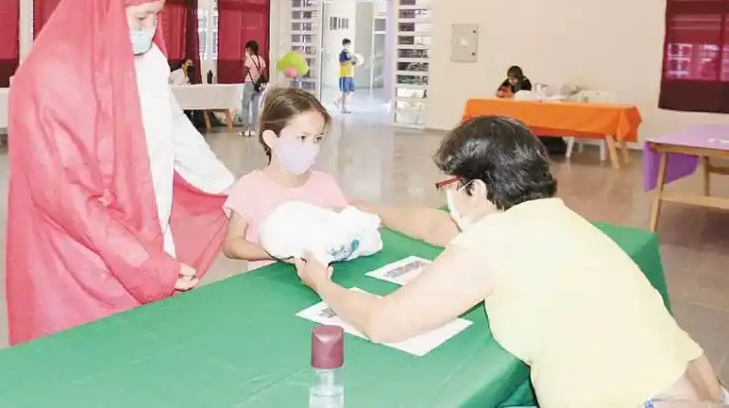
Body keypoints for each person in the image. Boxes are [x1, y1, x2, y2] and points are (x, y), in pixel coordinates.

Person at [294, 116, 725, 408]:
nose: (446, 197)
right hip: (696, 387)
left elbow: (383, 323)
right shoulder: (550, 216)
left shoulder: (491, 243)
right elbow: (434, 226)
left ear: (477, 190)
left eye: (450, 184)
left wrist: (322, 284)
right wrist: (364, 207)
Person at [6, 0, 235, 345]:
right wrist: (143, 262)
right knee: (91, 362)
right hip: (81, 257)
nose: (149, 29)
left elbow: (175, 131)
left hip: (145, 236)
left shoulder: (149, 62)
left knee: (146, 353)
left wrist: (231, 190)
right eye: (141, 17)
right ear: (105, 6)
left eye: (156, 17)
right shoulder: (52, 75)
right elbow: (64, 195)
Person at [223, 87, 347, 270]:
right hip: (267, 288)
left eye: (317, 138)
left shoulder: (325, 184)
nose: (312, 147)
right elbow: (232, 245)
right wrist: (280, 253)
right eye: (302, 137)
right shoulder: (250, 187)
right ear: (271, 139)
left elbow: (344, 229)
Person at [240, 40, 267, 137]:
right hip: (258, 86)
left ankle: (245, 129)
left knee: (245, 106)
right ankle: (253, 129)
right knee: (255, 107)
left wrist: (244, 63)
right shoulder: (261, 60)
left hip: (249, 84)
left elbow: (243, 73)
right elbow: (265, 75)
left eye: (247, 49)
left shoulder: (249, 59)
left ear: (249, 49)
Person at [334, 38, 356, 113]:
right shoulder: (342, 53)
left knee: (350, 90)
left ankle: (337, 101)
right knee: (345, 91)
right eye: (348, 44)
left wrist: (354, 61)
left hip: (349, 74)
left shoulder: (348, 53)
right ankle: (343, 107)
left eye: (349, 44)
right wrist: (350, 60)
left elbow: (350, 63)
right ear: (344, 44)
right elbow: (342, 63)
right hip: (344, 74)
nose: (349, 46)